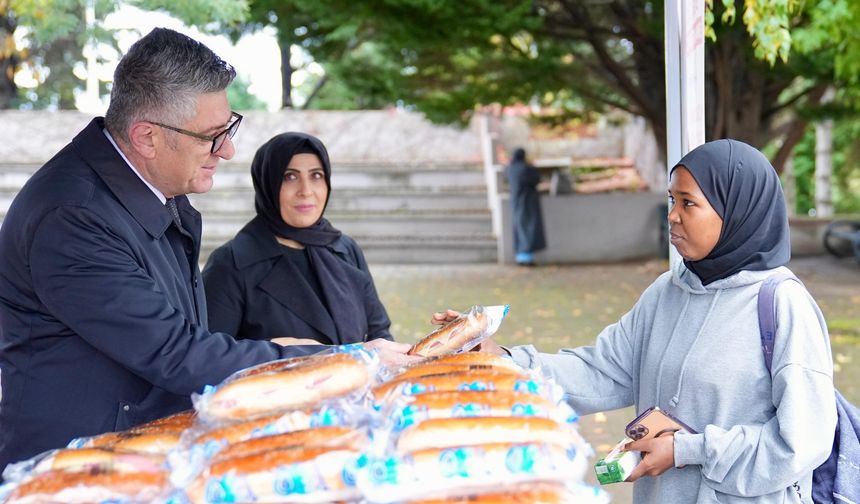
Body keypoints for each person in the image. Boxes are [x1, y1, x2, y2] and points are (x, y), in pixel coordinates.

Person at [0, 28, 412, 473]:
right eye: (212, 135)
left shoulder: (153, 188)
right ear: (147, 137)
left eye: (229, 127)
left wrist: (276, 349)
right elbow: (177, 353)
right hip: (72, 469)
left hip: (138, 449)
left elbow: (182, 333)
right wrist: (337, 357)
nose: (229, 150)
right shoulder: (73, 215)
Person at [439, 139, 837, 503]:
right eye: (671, 200)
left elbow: (802, 441)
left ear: (735, 212)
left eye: (688, 203)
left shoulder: (783, 305)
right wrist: (503, 360)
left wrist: (687, 450)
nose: (673, 217)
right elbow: (602, 370)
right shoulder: (668, 291)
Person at [202, 132, 392, 345]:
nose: (306, 191)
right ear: (268, 184)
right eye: (289, 177)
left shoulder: (344, 247)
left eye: (316, 176)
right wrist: (279, 350)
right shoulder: (231, 263)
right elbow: (211, 355)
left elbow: (379, 334)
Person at [505, 147, 546, 266]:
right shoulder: (527, 169)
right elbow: (536, 178)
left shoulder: (510, 168)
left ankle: (521, 256)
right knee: (529, 228)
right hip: (528, 201)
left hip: (516, 202)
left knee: (519, 227)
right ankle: (527, 257)